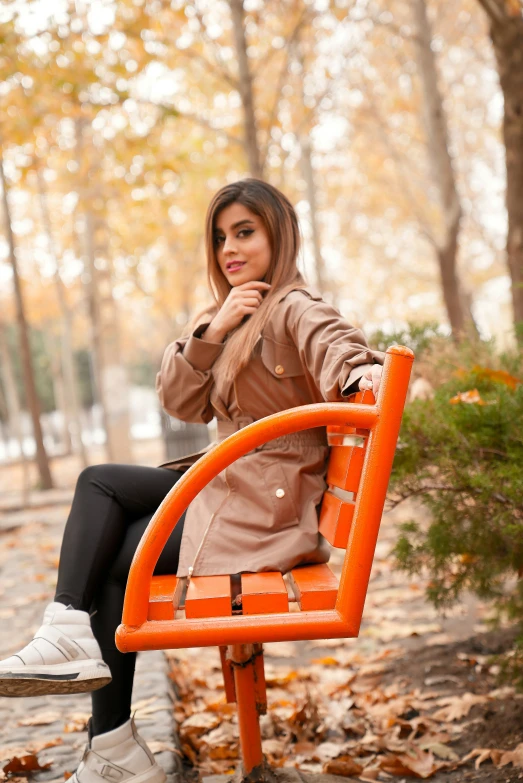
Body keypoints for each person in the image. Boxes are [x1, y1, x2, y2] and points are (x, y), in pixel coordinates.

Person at [0, 179, 384, 783]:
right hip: (232, 485)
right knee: (104, 499)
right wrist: (211, 331)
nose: (229, 248)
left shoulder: (292, 306)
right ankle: (83, 670)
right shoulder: (236, 314)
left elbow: (334, 341)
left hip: (263, 507)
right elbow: (182, 402)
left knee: (109, 526)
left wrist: (362, 370)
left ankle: (104, 724)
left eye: (245, 232)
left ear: (278, 235)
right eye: (220, 237)